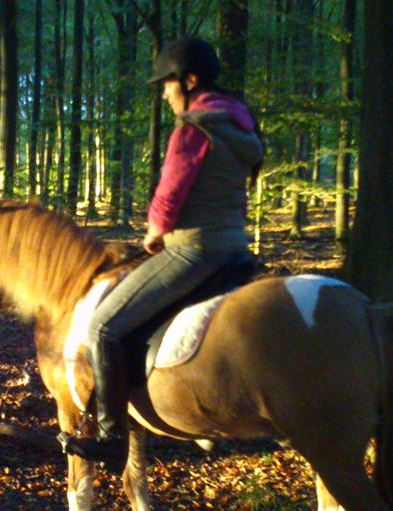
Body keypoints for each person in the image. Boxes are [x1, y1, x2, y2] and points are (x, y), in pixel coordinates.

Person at [70, 37, 264, 470]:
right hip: (235, 249)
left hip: (194, 251)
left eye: (167, 84)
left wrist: (155, 232)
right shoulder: (242, 130)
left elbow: (169, 196)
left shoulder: (193, 129)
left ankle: (110, 437)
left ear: (190, 81)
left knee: (102, 327)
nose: (163, 92)